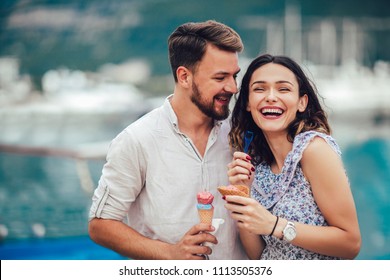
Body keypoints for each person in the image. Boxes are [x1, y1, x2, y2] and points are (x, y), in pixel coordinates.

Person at [88, 20, 247, 260]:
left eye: (234, 76)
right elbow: (100, 224)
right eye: (220, 77)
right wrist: (170, 253)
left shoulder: (242, 134)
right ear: (184, 76)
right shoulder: (136, 140)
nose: (233, 87)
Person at [224, 54, 361, 260]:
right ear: (248, 103)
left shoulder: (314, 150)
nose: (270, 96)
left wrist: (275, 224)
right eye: (259, 89)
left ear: (302, 102)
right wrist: (244, 194)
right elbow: (260, 255)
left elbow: (350, 244)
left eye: (283, 89)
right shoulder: (257, 165)